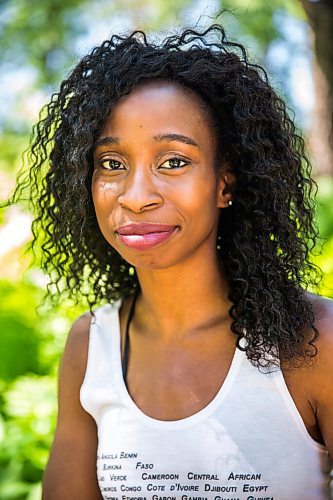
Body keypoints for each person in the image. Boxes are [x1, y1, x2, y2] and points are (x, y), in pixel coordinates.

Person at [16, 24, 333, 499]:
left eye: (174, 162)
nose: (136, 196)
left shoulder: (315, 341)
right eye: (112, 163)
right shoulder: (92, 346)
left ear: (225, 182)